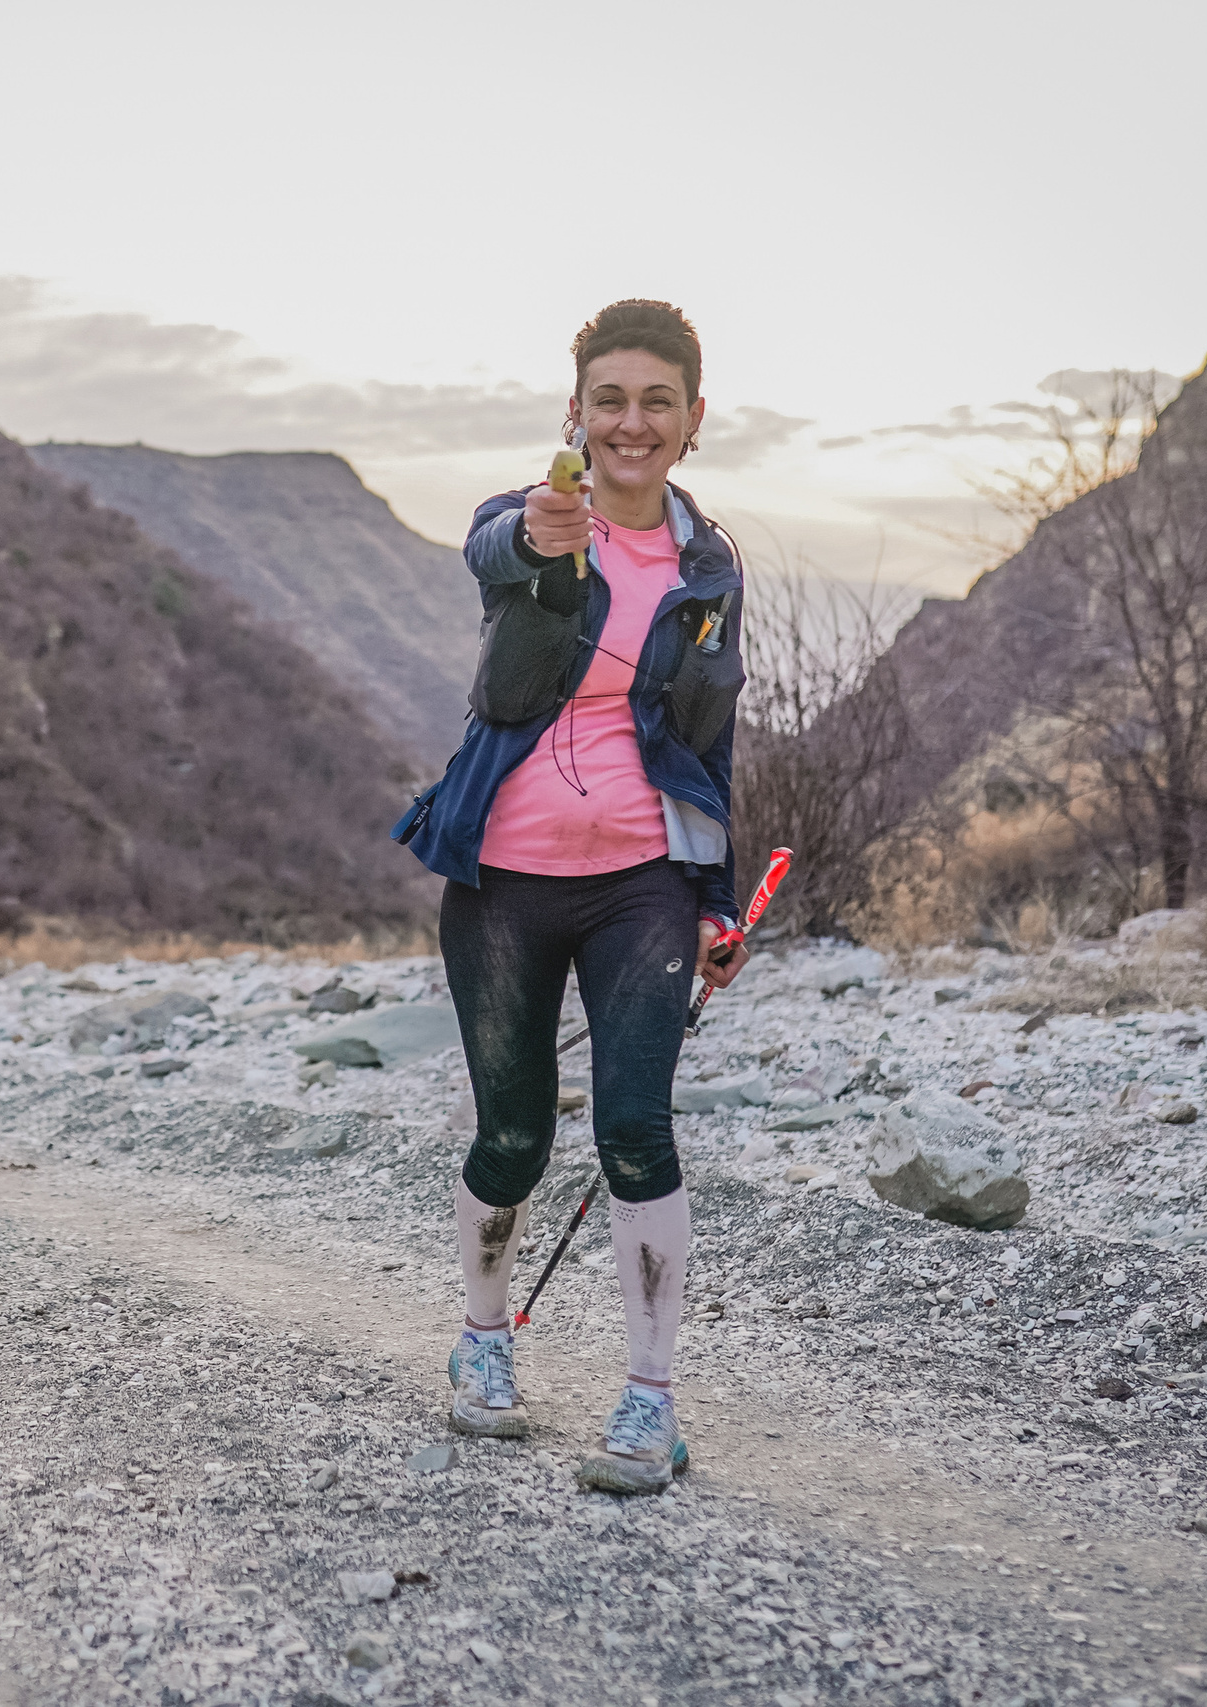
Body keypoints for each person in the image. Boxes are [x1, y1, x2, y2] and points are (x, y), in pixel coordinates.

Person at [395, 300, 747, 1495]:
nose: (630, 422)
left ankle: (651, 1403)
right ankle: (483, 1345)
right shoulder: (527, 520)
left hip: (645, 879)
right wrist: (549, 536)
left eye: (656, 401)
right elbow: (498, 551)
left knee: (637, 1129)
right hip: (501, 878)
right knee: (512, 1134)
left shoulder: (709, 565)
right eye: (609, 400)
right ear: (576, 414)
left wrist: (720, 900)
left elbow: (713, 735)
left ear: (692, 421)